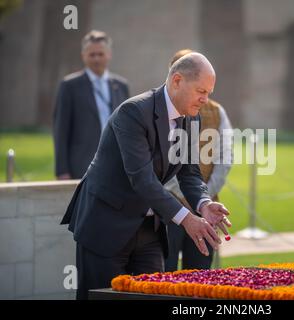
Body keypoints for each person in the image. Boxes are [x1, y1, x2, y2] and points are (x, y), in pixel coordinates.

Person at [60, 52, 232, 300]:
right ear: (177, 80)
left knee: (153, 295)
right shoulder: (133, 112)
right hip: (105, 226)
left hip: (149, 230)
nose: (205, 100)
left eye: (209, 93)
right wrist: (187, 219)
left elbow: (189, 172)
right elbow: (142, 179)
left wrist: (203, 204)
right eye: (201, 91)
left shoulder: (192, 118)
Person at [164, 49, 233, 271]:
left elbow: (225, 156)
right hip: (169, 204)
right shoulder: (161, 111)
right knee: (166, 269)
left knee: (200, 271)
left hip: (205, 201)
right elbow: (163, 164)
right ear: (177, 80)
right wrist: (184, 198)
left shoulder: (216, 112)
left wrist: (203, 196)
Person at [53, 30, 130, 180]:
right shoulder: (69, 86)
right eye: (91, 55)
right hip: (81, 166)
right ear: (83, 56)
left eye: (100, 54)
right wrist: (62, 170)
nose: (96, 59)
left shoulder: (121, 86)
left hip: (117, 164)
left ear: (109, 55)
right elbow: (60, 130)